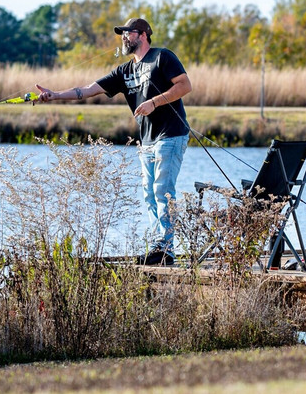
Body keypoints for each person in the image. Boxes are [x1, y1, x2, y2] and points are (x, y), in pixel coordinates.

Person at [35, 17, 191, 266]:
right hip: (147, 140)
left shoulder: (163, 57)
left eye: (127, 33)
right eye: (122, 34)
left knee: (163, 191)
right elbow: (86, 90)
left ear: (142, 35)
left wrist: (154, 102)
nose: (123, 38)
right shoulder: (124, 71)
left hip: (171, 134)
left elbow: (184, 86)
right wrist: (54, 96)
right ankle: (158, 246)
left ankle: (166, 249)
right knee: (149, 195)